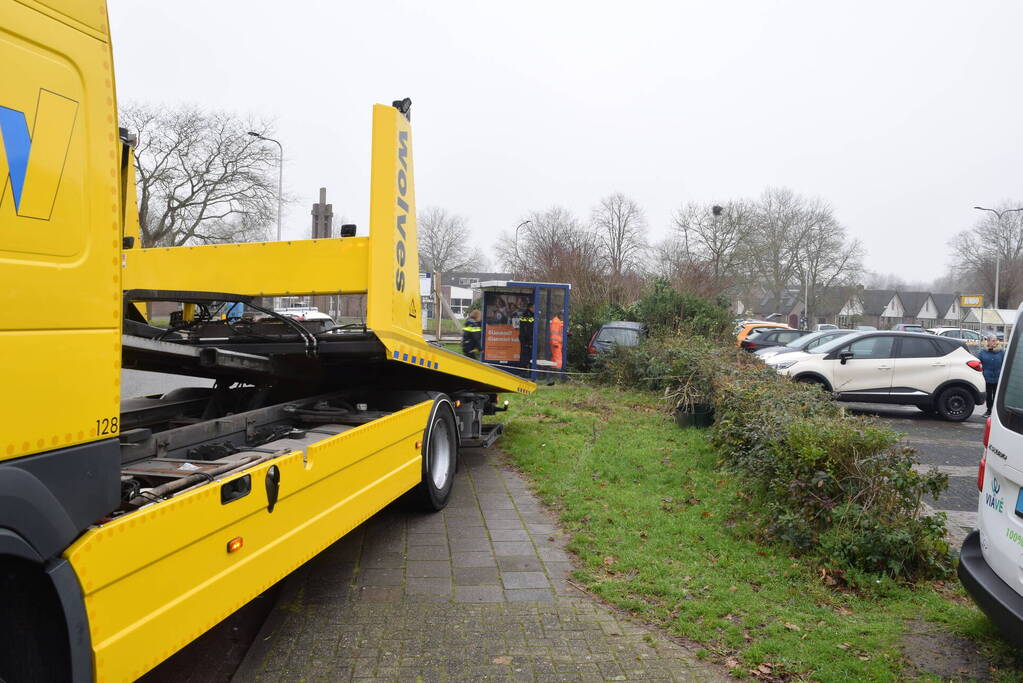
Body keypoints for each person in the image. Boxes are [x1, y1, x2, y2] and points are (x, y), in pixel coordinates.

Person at [978, 333, 1005, 417]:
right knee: (988, 395)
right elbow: (978, 363)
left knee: (997, 396)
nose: (995, 342)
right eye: (993, 340)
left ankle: (995, 412)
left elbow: (1005, 363)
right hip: (987, 378)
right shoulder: (983, 352)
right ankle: (989, 410)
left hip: (998, 378)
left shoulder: (1001, 352)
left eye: (996, 340)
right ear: (988, 342)